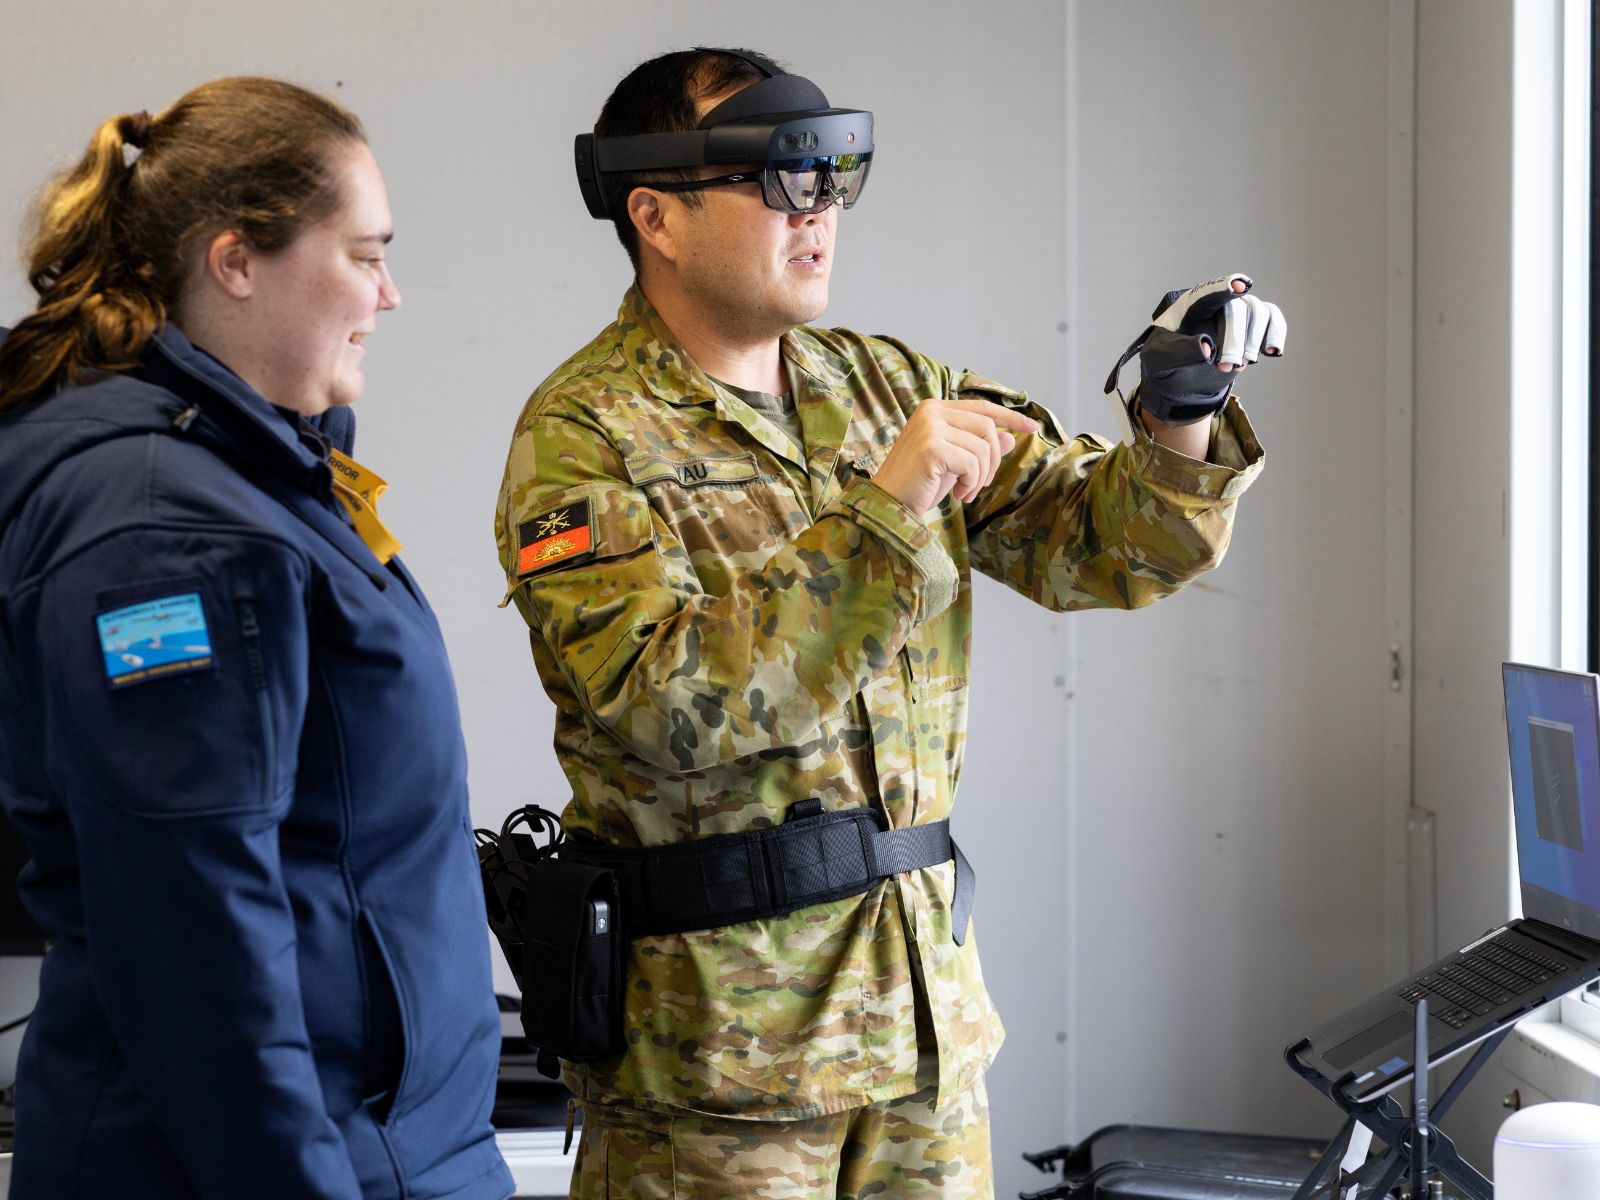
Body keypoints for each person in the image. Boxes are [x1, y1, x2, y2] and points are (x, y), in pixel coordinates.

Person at [494, 48, 1283, 1199]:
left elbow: (1110, 548)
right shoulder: (585, 435)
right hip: (716, 1070)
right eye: (775, 179)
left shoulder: (885, 389)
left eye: (829, 177)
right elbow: (667, 706)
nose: (814, 212)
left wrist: (1180, 411)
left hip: (922, 1034)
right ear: (654, 214)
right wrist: (886, 514)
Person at [0, 78, 513, 1199]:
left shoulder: (251, 478)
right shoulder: (163, 527)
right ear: (236, 262)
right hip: (297, 1164)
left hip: (379, 1146)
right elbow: (192, 944)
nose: (392, 292)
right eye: (365, 254)